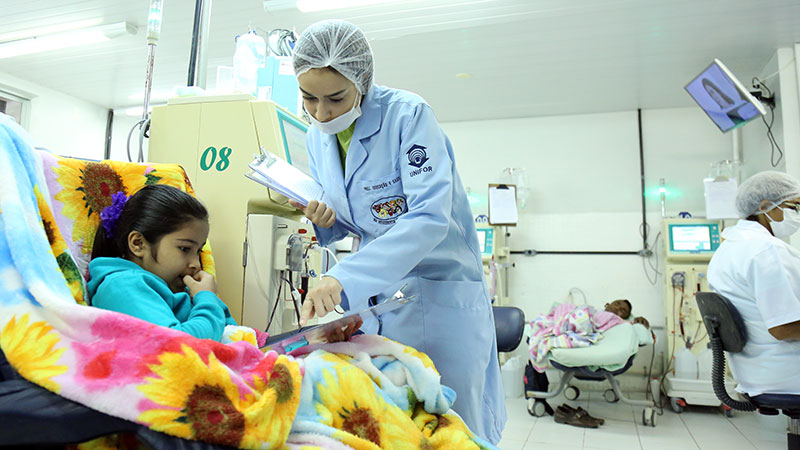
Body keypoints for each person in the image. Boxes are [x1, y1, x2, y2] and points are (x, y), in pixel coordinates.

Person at [288, 19, 505, 443]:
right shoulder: (318, 137)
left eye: (335, 98)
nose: (321, 112)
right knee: (399, 423)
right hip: (382, 298)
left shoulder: (408, 115)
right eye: (308, 98)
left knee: (454, 426)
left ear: (362, 82)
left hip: (440, 293)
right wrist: (320, 218)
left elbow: (427, 217)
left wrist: (342, 278)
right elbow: (353, 220)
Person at [87, 184, 237, 342]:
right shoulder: (122, 285)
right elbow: (176, 345)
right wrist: (207, 299)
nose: (196, 264)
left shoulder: (180, 289)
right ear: (138, 244)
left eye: (198, 251)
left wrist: (207, 299)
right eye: (185, 249)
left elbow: (230, 331)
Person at [707, 171, 800, 397]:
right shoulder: (767, 250)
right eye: (795, 207)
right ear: (767, 206)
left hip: (755, 371)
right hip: (787, 373)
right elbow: (783, 327)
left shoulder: (729, 247)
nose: (798, 214)